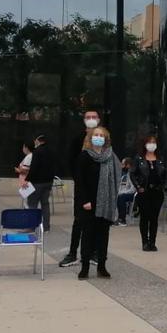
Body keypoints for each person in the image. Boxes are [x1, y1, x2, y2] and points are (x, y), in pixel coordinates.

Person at [75, 126, 120, 280]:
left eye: (102, 135)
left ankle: (102, 266)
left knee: (103, 236)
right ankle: (85, 267)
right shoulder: (84, 156)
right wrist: (85, 200)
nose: (99, 137)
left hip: (106, 203)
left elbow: (115, 178)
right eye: (96, 135)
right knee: (87, 235)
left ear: (106, 139)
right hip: (89, 203)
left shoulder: (110, 156)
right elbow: (80, 181)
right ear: (90, 138)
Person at [60, 110, 102, 267]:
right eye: (88, 117)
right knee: (79, 221)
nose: (91, 120)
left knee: (98, 222)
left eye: (94, 117)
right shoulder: (77, 140)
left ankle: (94, 252)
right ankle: (72, 253)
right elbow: (71, 162)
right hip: (82, 189)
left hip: (99, 190)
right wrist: (80, 182)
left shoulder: (103, 139)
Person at [132, 134, 167, 252]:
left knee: (154, 218)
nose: (152, 144)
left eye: (154, 142)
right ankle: (145, 242)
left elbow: (165, 174)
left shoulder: (160, 158)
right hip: (144, 192)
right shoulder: (139, 158)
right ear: (145, 144)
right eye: (149, 142)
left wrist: (164, 185)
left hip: (157, 192)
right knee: (144, 218)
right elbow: (133, 174)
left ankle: (152, 242)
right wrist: (138, 187)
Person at [24, 134, 55, 231]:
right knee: (45, 204)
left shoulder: (37, 151)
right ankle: (46, 227)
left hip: (37, 182)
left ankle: (31, 226)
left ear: (38, 141)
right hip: (48, 182)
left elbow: (34, 168)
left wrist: (27, 179)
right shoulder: (52, 151)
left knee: (32, 204)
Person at [116, 158, 136, 226]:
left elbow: (133, 188)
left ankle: (122, 219)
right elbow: (122, 186)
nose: (121, 166)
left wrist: (123, 192)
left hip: (132, 194)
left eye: (123, 164)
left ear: (128, 165)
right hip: (125, 192)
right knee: (117, 196)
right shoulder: (125, 174)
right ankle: (117, 218)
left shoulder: (132, 174)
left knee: (121, 197)